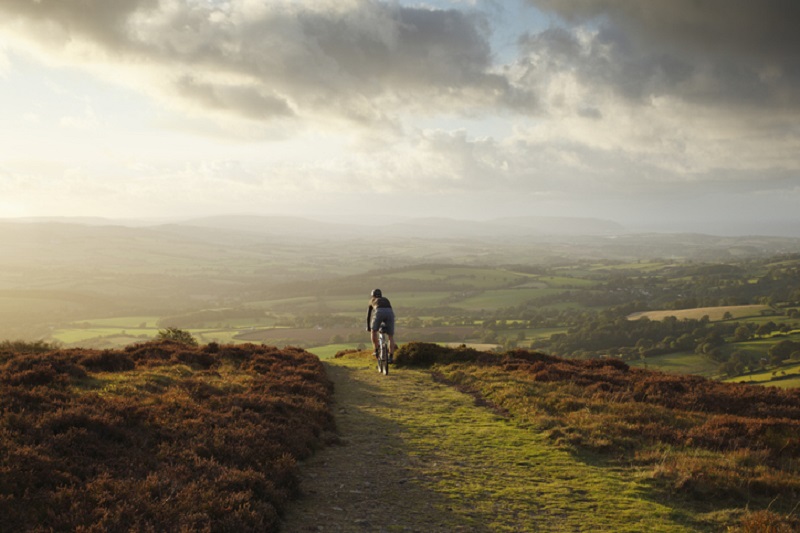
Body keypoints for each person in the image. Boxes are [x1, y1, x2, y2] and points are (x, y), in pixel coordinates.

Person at [366, 288, 397, 362]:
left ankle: (376, 350)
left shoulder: (372, 300)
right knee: (390, 336)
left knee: (373, 331)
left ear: (373, 295)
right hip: (390, 313)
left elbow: (368, 315)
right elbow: (388, 310)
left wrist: (368, 327)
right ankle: (391, 356)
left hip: (379, 312)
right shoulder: (386, 299)